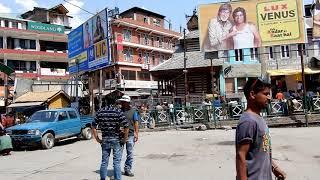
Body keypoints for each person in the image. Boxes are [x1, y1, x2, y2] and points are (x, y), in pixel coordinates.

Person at [235, 78, 286, 180]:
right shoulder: (248, 121)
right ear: (252, 94)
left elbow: (261, 150)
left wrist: (274, 168)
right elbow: (241, 156)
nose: (269, 98)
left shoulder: (258, 118)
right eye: (265, 94)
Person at [92, 98, 129, 180]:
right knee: (116, 162)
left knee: (104, 162)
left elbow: (93, 126)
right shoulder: (118, 111)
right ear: (115, 103)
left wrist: (97, 139)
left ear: (105, 102)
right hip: (116, 139)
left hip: (105, 139)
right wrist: (125, 139)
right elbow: (126, 126)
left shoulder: (100, 112)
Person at [118, 95, 139, 177]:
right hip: (120, 135)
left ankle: (127, 169)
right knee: (118, 154)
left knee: (130, 153)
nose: (122, 103)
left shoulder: (133, 111)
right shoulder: (118, 111)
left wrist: (136, 133)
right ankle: (117, 170)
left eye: (124, 102)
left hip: (130, 135)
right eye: (122, 101)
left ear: (128, 103)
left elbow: (136, 122)